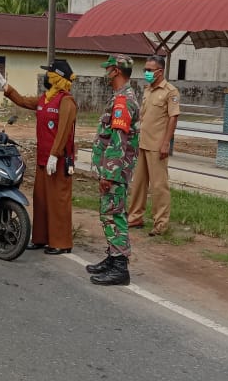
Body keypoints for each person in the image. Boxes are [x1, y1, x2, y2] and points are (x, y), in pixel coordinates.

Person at [0, 59, 77, 255]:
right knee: (40, 199)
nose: (46, 77)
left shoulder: (66, 101)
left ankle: (60, 242)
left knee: (58, 200)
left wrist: (55, 155)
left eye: (49, 73)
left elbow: (64, 130)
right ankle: (40, 238)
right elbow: (22, 100)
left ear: (56, 77)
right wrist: (5, 86)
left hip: (57, 160)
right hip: (42, 158)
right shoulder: (44, 99)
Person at [86, 54, 140, 286]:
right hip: (114, 169)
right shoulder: (121, 97)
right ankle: (113, 256)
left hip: (115, 171)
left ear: (116, 71)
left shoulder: (122, 101)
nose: (106, 73)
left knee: (113, 213)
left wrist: (109, 174)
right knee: (109, 213)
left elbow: (118, 140)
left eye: (108, 69)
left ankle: (120, 267)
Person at [127, 55, 181, 237]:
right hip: (143, 142)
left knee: (159, 186)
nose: (146, 73)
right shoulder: (148, 90)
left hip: (158, 146)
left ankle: (161, 224)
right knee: (138, 184)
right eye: (145, 70)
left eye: (150, 70)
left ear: (160, 71)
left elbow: (173, 118)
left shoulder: (170, 92)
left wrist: (166, 143)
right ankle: (135, 217)